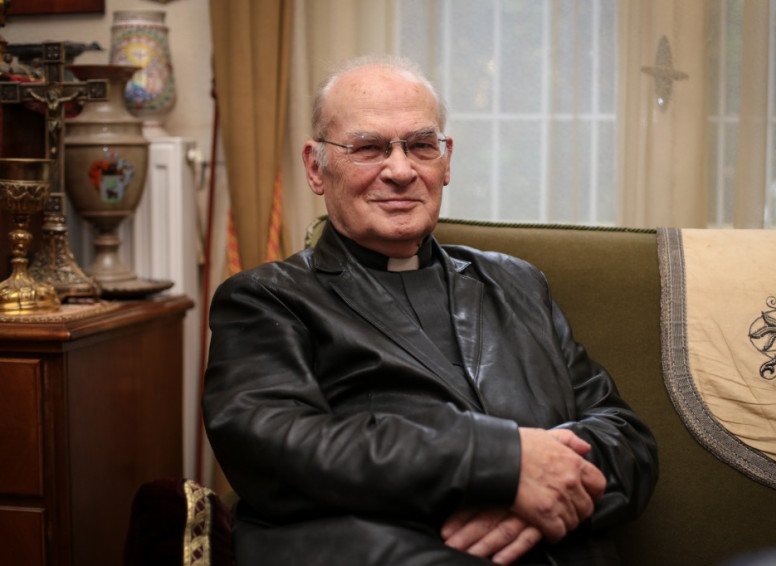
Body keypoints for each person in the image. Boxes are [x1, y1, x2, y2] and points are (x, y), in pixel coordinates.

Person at [203, 55, 658, 566]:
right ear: (316, 166)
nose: (401, 171)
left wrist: (543, 493)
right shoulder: (268, 298)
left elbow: (627, 437)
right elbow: (274, 446)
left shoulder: (518, 283)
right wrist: (502, 463)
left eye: (421, 145)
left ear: (446, 161)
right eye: (368, 148)